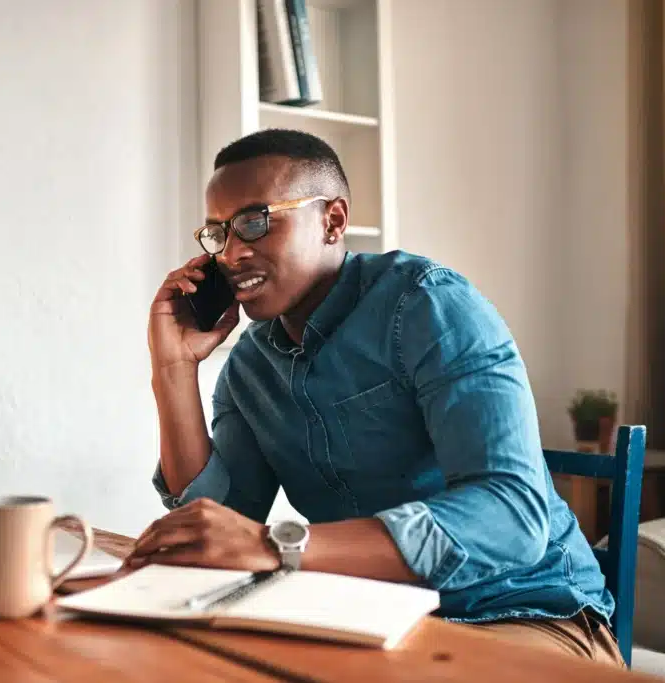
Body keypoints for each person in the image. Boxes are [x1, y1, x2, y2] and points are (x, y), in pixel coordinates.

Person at [126, 128, 623, 666]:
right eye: (218, 233)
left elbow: (511, 517)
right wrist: (173, 369)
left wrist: (277, 546)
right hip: (367, 615)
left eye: (254, 222)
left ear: (333, 221)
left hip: (521, 612)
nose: (232, 253)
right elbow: (218, 530)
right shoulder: (252, 366)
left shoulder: (430, 305)